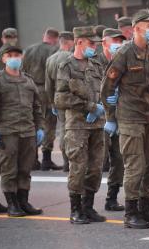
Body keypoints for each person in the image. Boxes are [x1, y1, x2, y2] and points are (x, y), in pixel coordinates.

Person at [101, 9, 149, 229]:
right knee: (134, 166)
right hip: (130, 117)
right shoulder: (124, 53)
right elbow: (107, 87)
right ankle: (131, 213)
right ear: (137, 28)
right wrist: (111, 116)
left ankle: (145, 209)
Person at [55, 26, 105, 224]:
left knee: (95, 168)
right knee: (79, 167)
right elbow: (60, 98)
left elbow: (102, 90)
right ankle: (75, 209)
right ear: (79, 42)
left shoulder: (96, 65)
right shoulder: (66, 65)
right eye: (91, 43)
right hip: (77, 126)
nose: (94, 47)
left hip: (97, 125)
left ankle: (88, 207)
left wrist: (104, 105)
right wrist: (90, 107)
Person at [0, 45, 44, 217]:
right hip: (7, 132)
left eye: (17, 55)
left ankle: (23, 201)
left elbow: (37, 106)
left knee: (25, 168)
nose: (14, 58)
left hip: (28, 131)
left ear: (22, 58)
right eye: (10, 55)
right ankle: (12, 204)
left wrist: (40, 128)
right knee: (9, 169)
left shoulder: (28, 80)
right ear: (4, 59)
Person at [22, 27, 61, 171]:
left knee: (34, 123)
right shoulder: (54, 51)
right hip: (46, 90)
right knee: (49, 124)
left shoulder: (29, 50)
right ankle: (46, 158)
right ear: (55, 38)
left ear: (44, 36)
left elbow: (22, 70)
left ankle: (32, 159)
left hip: (30, 90)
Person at [96, 28, 126, 212]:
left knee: (119, 159)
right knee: (96, 161)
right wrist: (99, 104)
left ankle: (111, 198)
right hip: (98, 119)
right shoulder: (94, 63)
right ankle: (84, 203)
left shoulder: (121, 61)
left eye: (120, 41)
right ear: (104, 43)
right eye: (114, 41)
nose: (118, 44)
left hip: (119, 117)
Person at [45, 31, 74, 172]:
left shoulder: (50, 59)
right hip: (73, 98)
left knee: (63, 129)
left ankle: (66, 161)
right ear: (69, 42)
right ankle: (73, 161)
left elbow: (48, 85)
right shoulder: (72, 57)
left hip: (58, 99)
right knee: (74, 129)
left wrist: (52, 102)